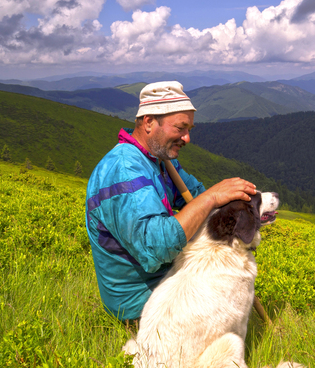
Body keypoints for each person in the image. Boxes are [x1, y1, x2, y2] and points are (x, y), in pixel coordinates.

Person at [86, 81, 257, 322]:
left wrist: (234, 212)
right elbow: (155, 249)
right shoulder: (124, 171)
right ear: (148, 122)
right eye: (180, 128)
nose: (187, 138)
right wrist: (211, 197)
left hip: (165, 284)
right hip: (141, 305)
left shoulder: (159, 160)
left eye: (189, 128)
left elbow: (194, 194)